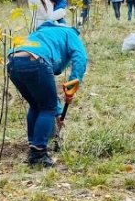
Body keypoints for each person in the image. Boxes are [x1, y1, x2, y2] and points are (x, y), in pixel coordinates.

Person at [6, 22, 87, 167]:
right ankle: (38, 154)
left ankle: (34, 146)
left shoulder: (42, 33)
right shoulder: (71, 34)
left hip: (12, 61)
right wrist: (72, 86)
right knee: (47, 108)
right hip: (36, 61)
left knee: (36, 105)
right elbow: (80, 58)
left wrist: (59, 111)